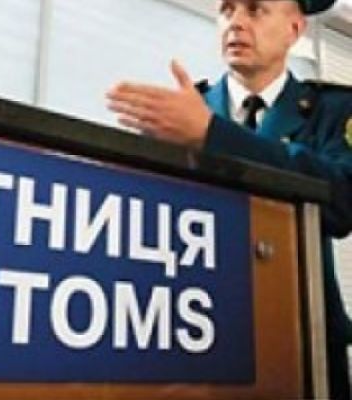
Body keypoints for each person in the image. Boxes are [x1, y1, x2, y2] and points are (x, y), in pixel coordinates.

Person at [106, 0, 352, 398]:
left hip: (302, 345)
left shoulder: (332, 110)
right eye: (226, 9)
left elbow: (343, 200)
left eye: (255, 10)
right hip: (195, 337)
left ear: (294, 29)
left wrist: (213, 135)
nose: (235, 22)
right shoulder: (181, 113)